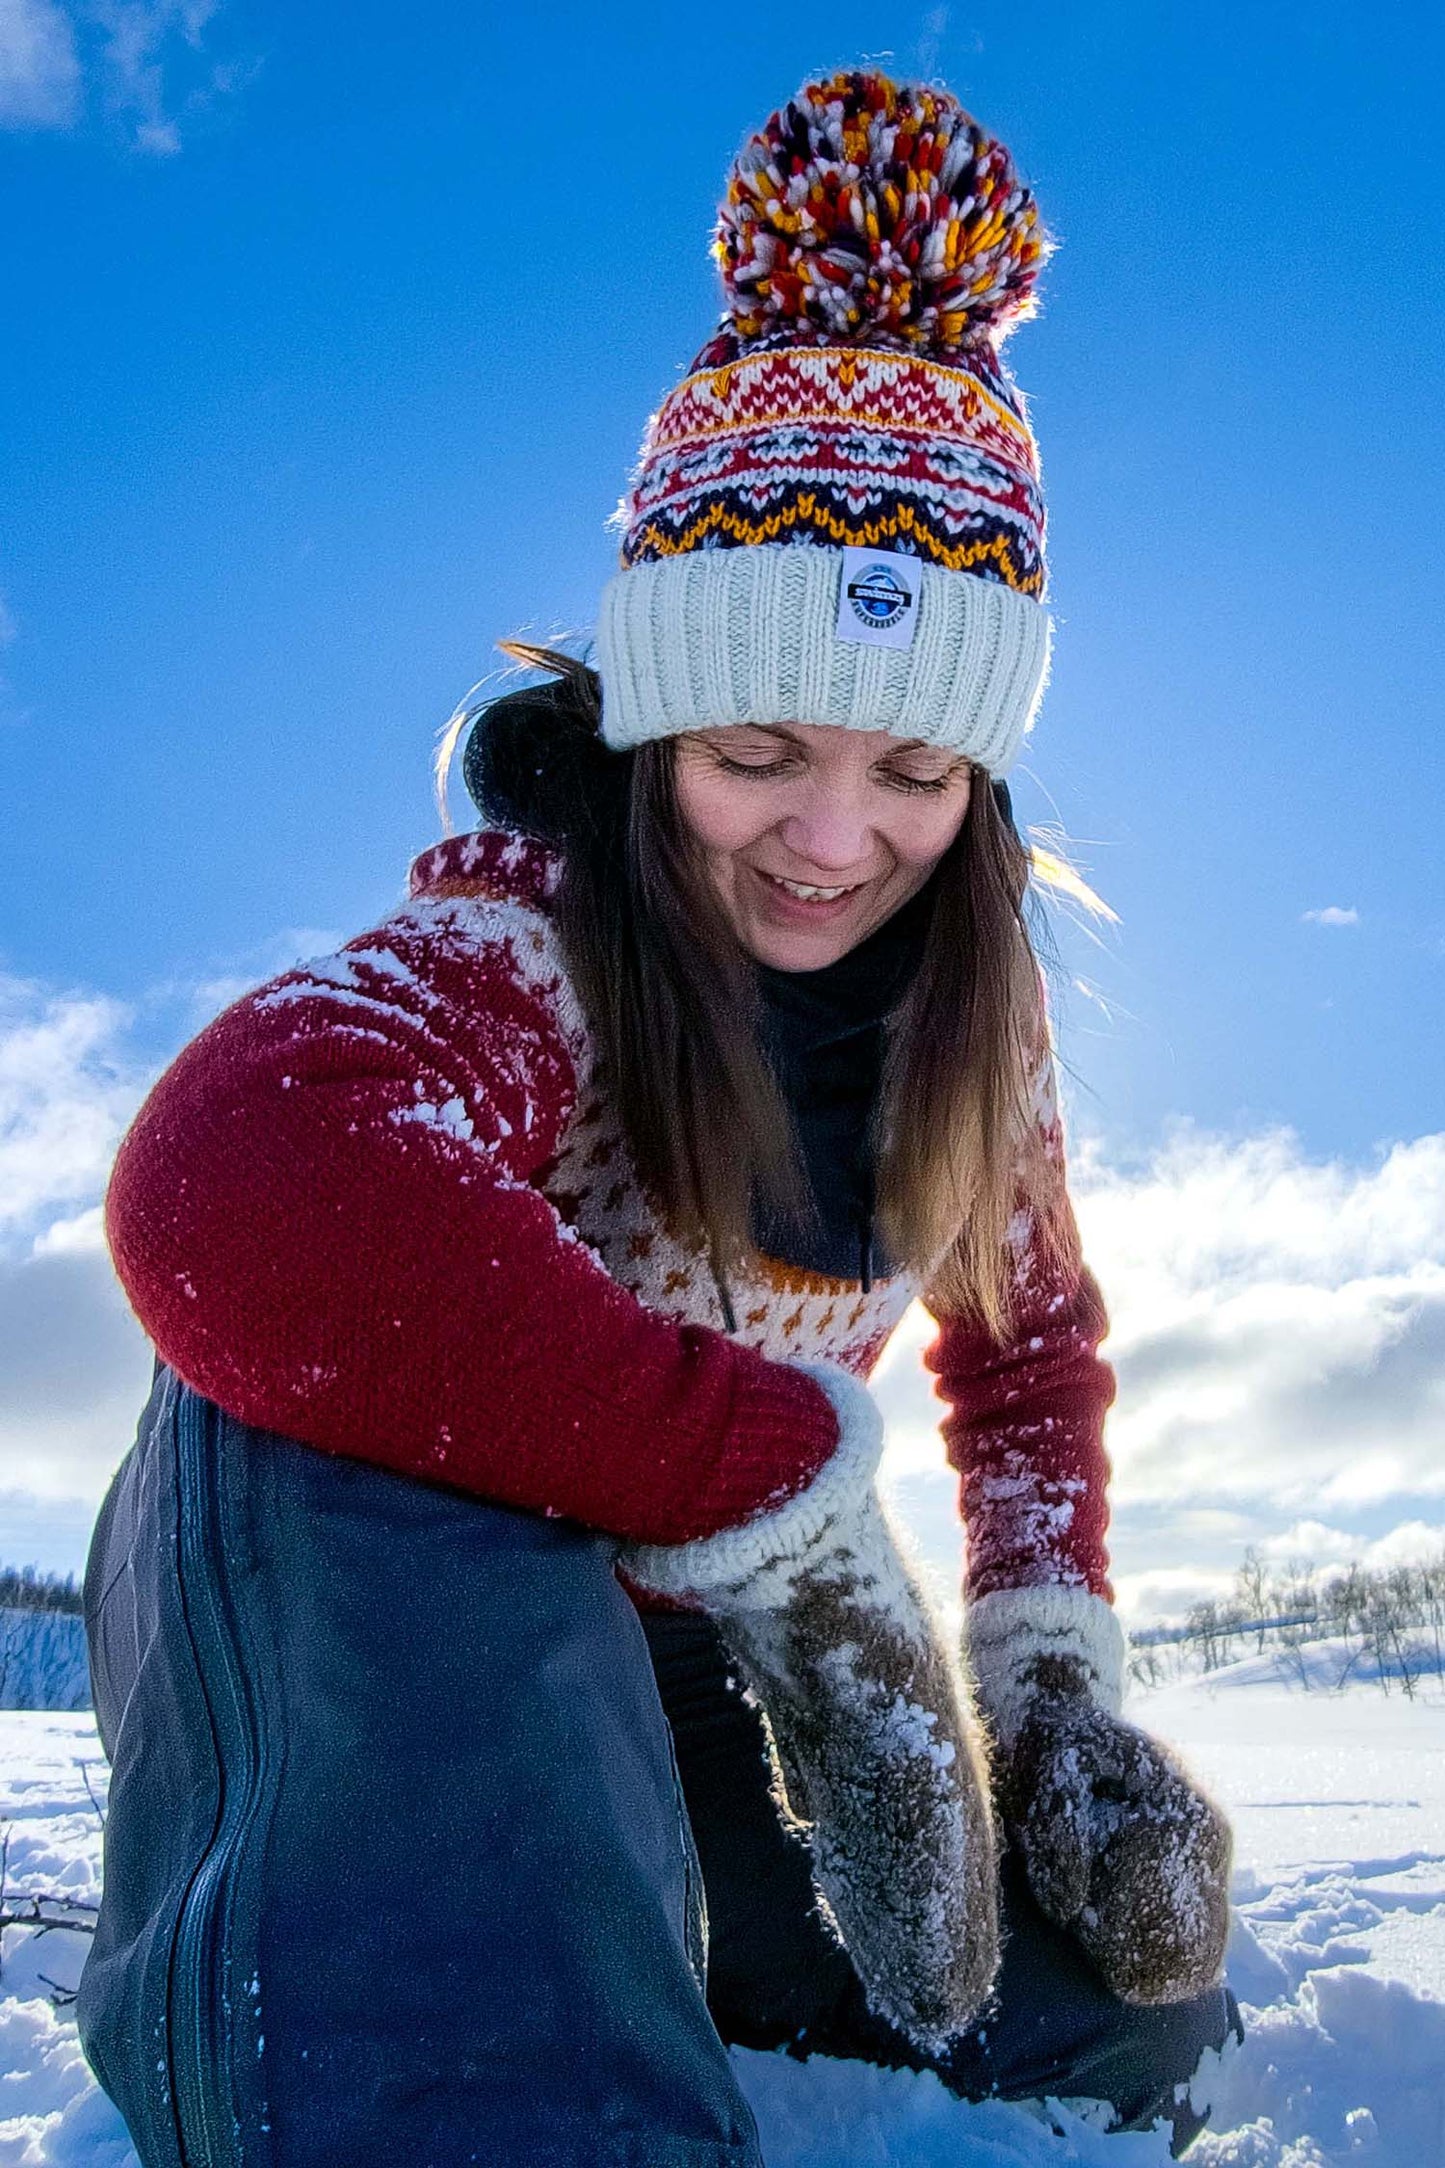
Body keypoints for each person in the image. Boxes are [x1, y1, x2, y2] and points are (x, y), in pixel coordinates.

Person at [78, 68, 1241, 2168]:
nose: (833, 837)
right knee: (329, 1375)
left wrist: (1047, 1692)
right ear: (645, 728)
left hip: (671, 1691)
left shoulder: (979, 1036)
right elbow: (231, 1178)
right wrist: (783, 1508)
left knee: (1100, 2014)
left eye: (916, 774)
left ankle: (644, 1955)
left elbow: (1029, 1350)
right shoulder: (530, 942)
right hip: (391, 1641)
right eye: (758, 750)